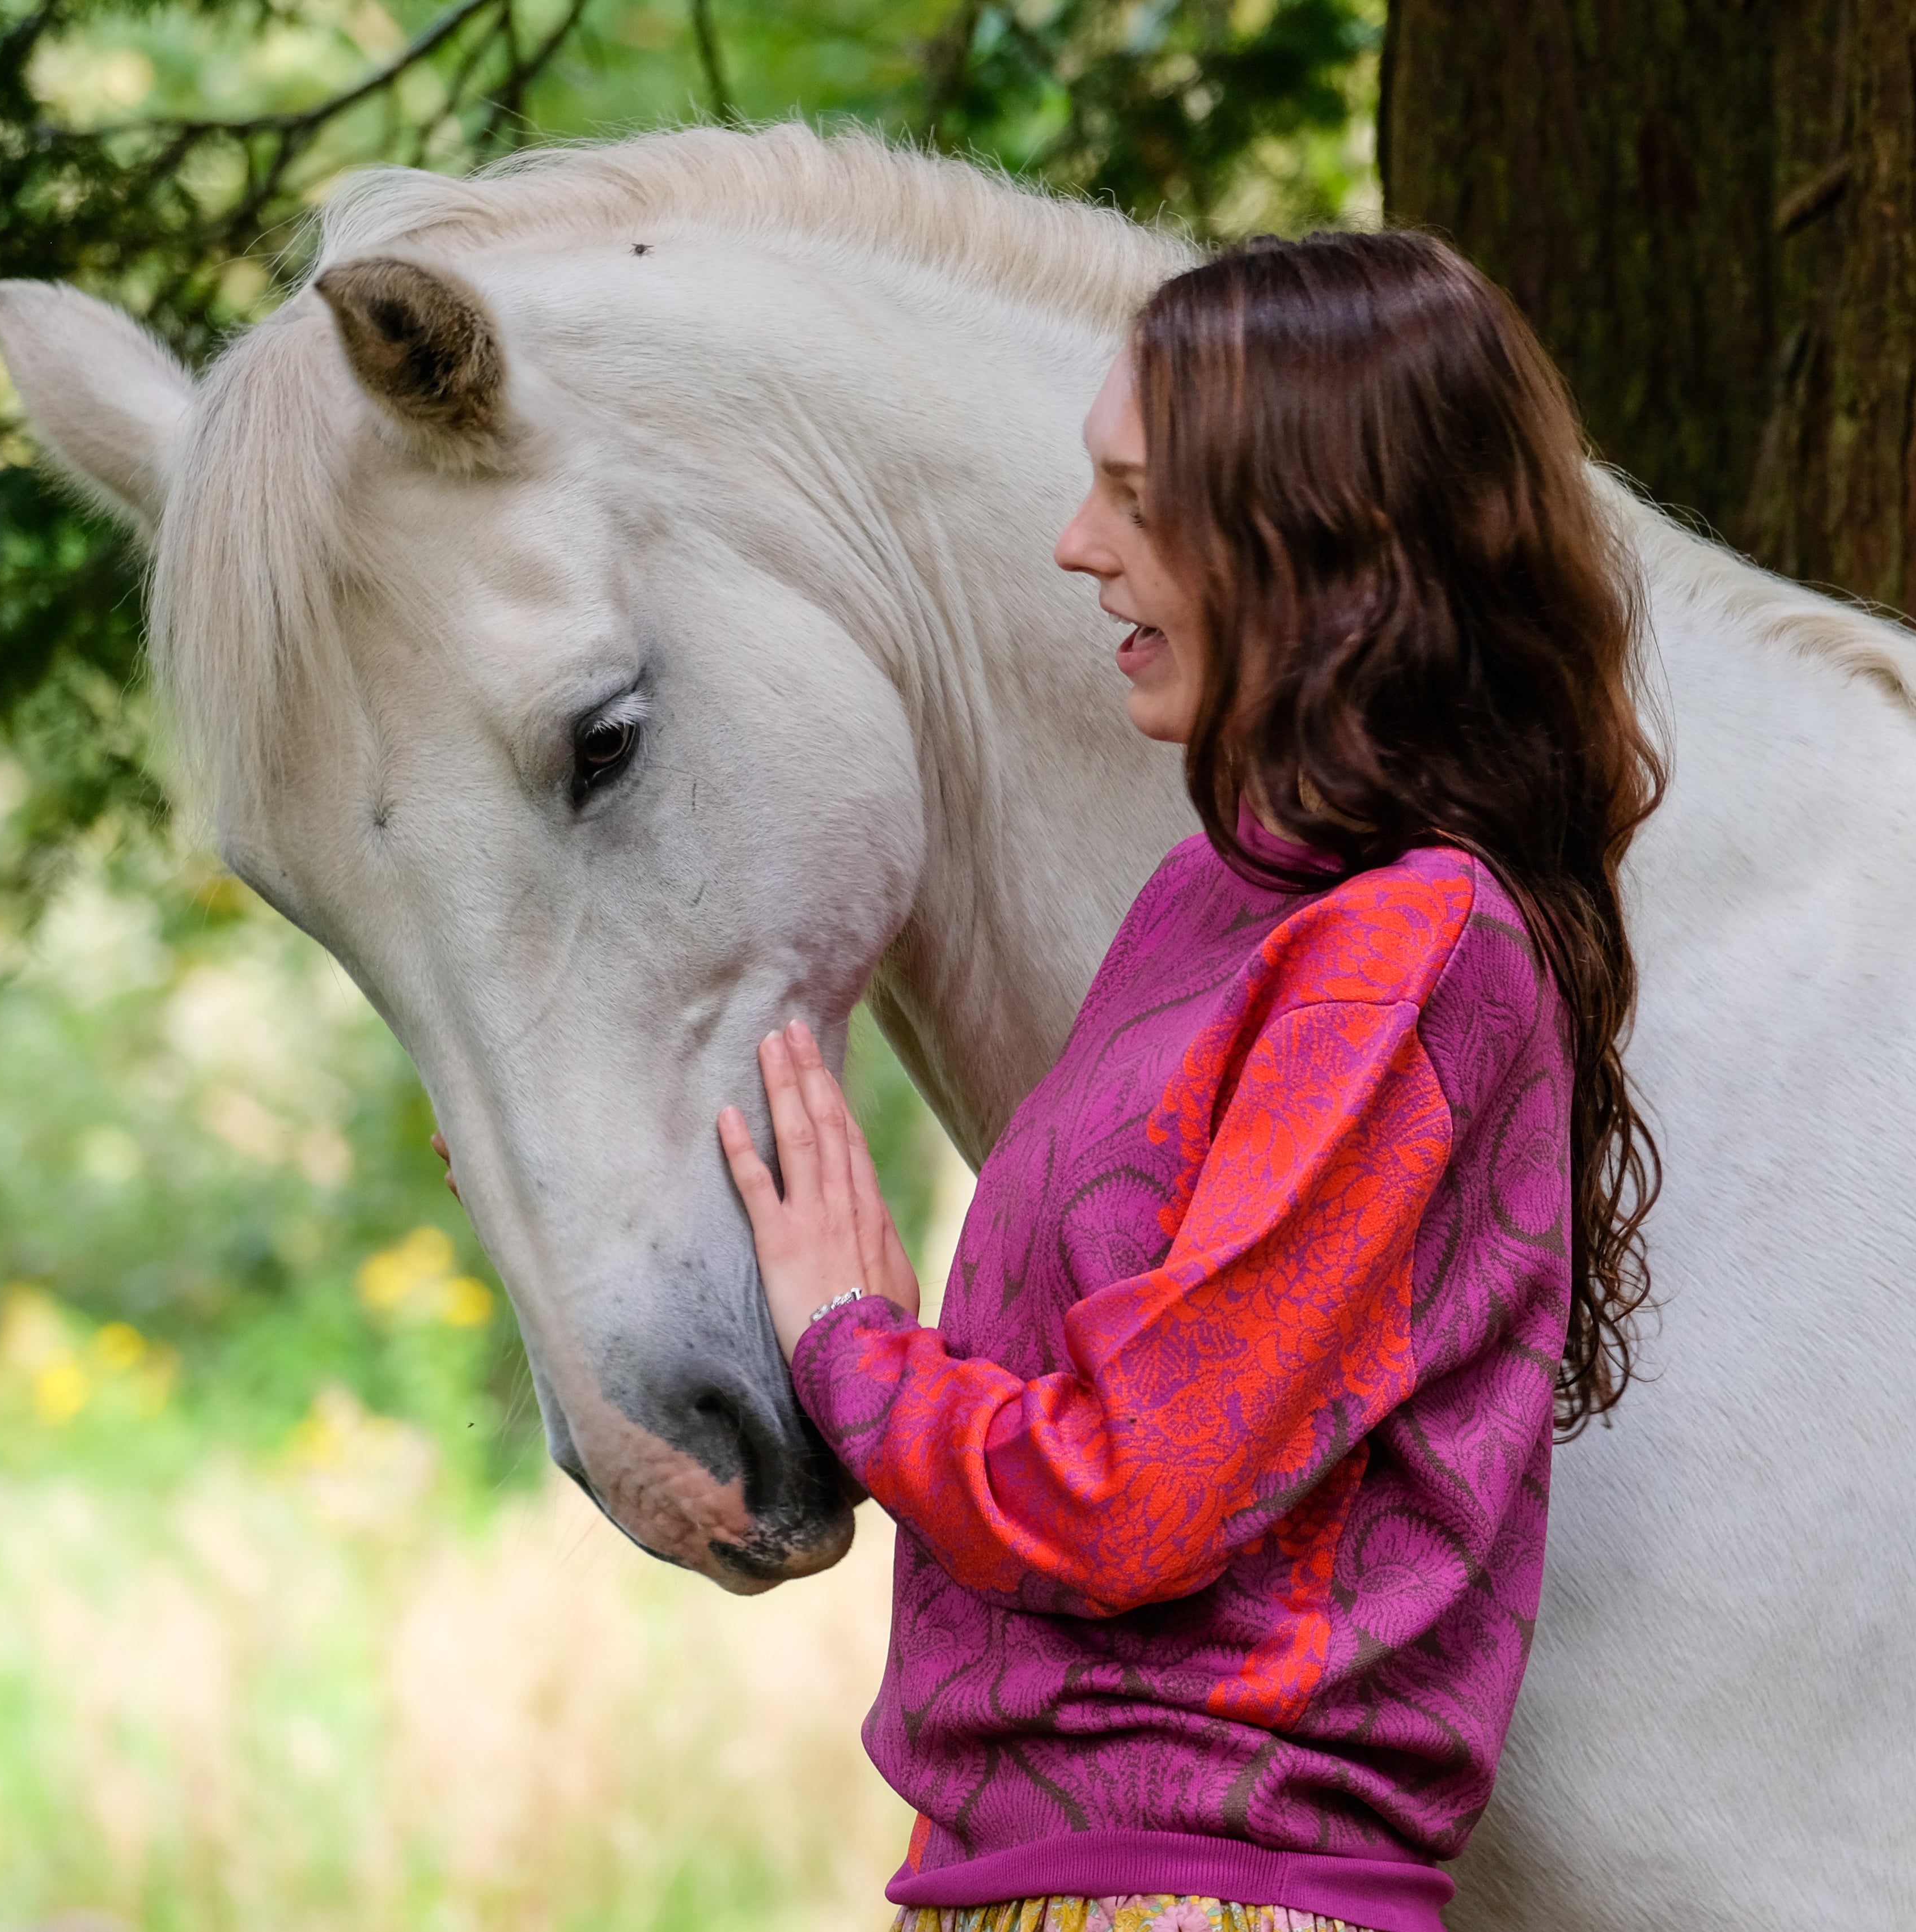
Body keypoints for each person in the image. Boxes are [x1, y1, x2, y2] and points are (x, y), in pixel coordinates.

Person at [717, 230, 1664, 1932]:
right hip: (1021, 1887)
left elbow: (1132, 1482)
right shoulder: (1212, 907)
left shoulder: (1414, 950)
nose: (1078, 547)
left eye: (1138, 500)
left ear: (1337, 543)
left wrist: (857, 1358)